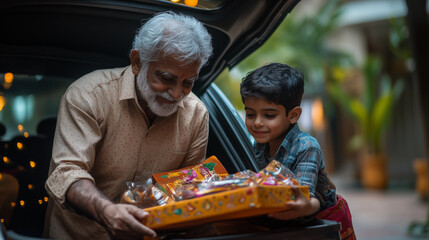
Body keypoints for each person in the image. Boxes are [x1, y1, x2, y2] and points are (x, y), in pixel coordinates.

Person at [44, 11, 213, 240]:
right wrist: (107, 211)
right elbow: (67, 172)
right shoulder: (89, 95)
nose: (176, 94)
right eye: (166, 78)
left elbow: (189, 190)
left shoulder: (197, 115)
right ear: (137, 62)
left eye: (188, 83)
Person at [240, 63, 356, 240]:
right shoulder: (257, 146)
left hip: (320, 223)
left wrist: (308, 206)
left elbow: (305, 198)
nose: (257, 123)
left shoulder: (306, 146)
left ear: (293, 115)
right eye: (250, 115)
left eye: (269, 115)